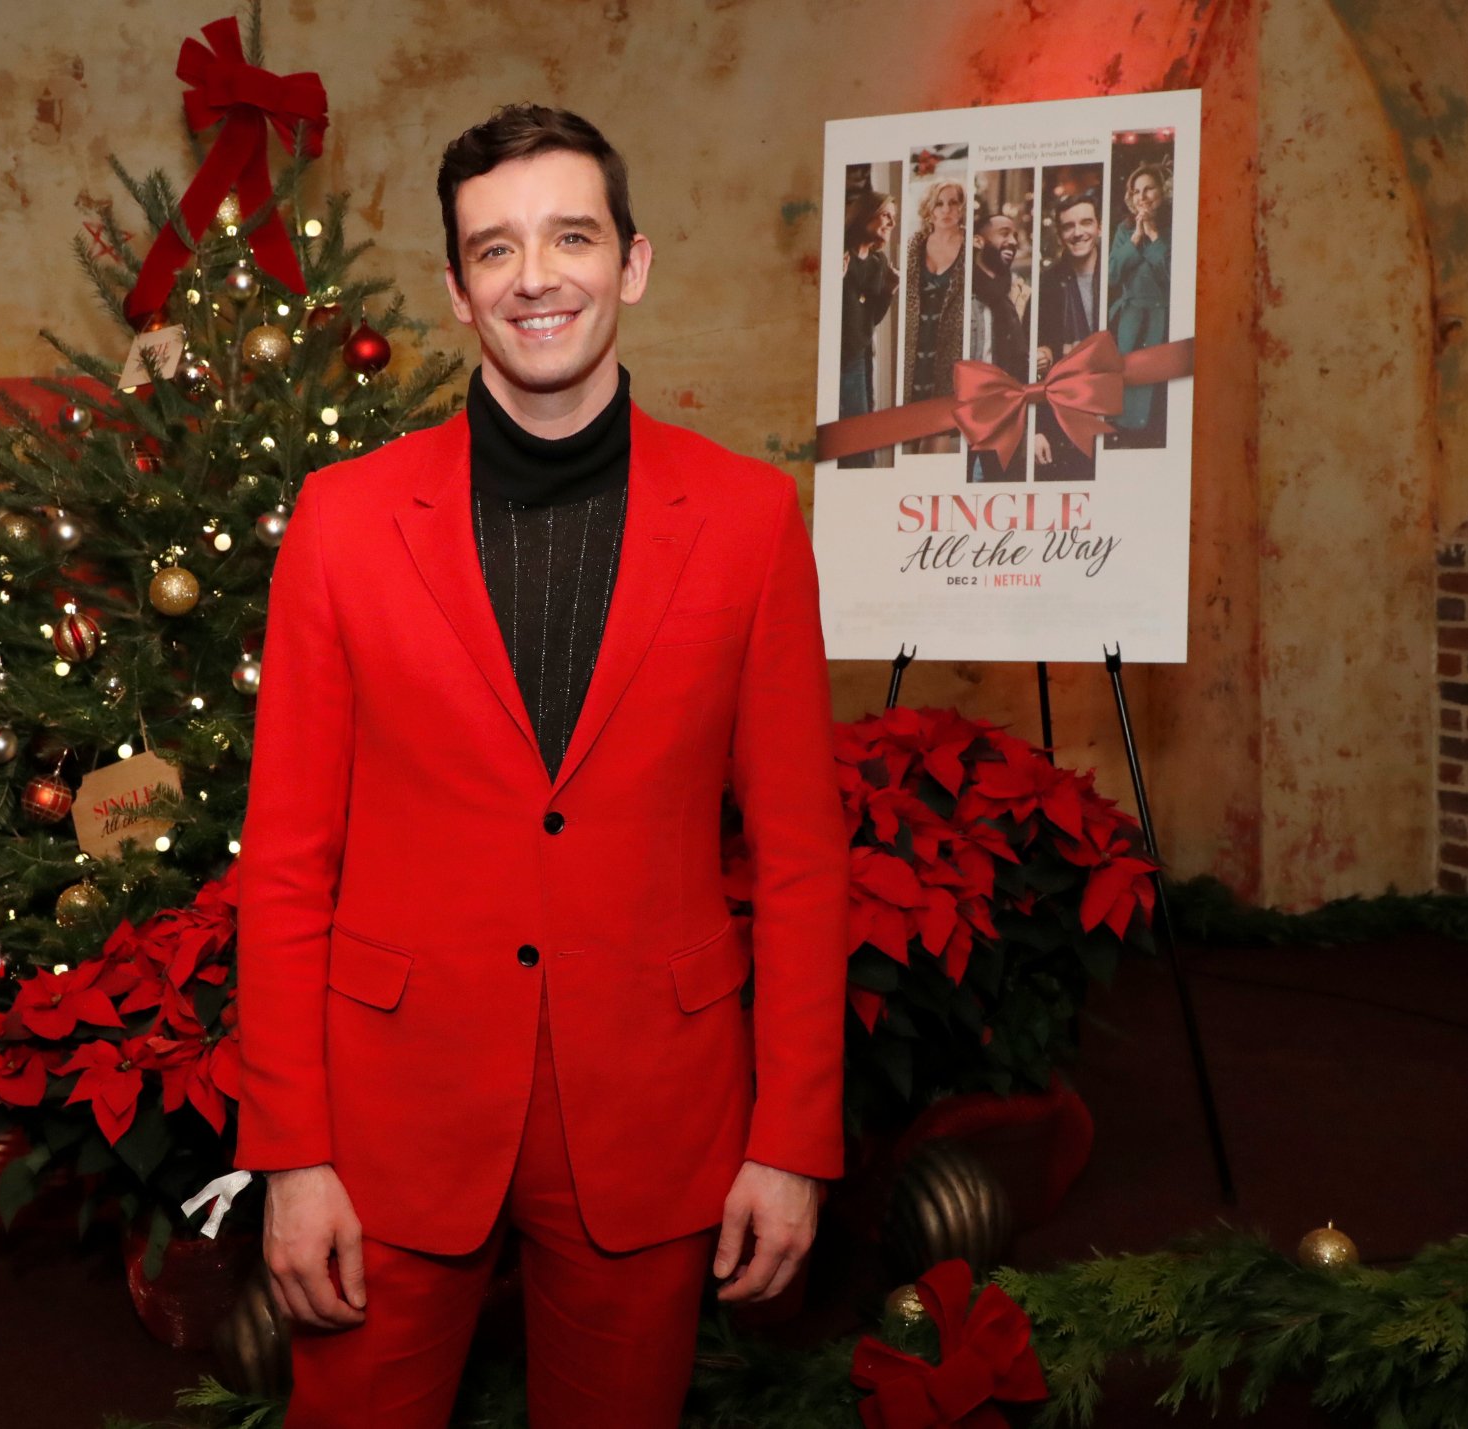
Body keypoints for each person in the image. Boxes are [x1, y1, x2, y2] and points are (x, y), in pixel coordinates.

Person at [235, 104, 848, 1429]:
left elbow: (801, 859)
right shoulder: (343, 520)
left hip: (651, 1107)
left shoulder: (747, 520)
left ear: (633, 261)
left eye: (571, 236)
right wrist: (290, 1154)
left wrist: (793, 1139)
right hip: (393, 1115)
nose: (536, 277)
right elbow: (284, 863)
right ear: (459, 291)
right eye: (495, 248)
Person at [1034, 189, 1103, 480]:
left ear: (1099, 227)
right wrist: (1036, 429)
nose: (1078, 233)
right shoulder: (1047, 284)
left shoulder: (1120, 274)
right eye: (1068, 226)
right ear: (1060, 235)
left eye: (1086, 222)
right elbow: (1028, 359)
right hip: (1063, 419)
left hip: (1118, 412)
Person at [1107, 162, 1171, 447]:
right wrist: (1135, 238)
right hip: (1129, 321)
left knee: (1155, 394)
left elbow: (1174, 275)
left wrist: (1154, 235)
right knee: (1127, 390)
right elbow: (1111, 275)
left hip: (1161, 319)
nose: (1142, 197)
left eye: (1149, 189)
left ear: (1163, 192)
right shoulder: (1124, 230)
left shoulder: (1173, 227)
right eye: (1136, 191)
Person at [899, 178, 965, 454]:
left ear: (962, 207)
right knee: (910, 426)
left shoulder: (972, 246)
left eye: (953, 202)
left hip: (950, 346)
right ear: (930, 209)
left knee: (940, 425)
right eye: (939, 203)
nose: (946, 209)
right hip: (915, 347)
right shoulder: (915, 244)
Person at [838, 187, 898, 469]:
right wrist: (834, 281)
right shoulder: (840, 253)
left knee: (860, 437)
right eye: (886, 215)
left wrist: (888, 291)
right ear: (865, 214)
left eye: (893, 218)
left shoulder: (878, 263)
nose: (891, 223)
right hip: (838, 358)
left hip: (859, 358)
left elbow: (870, 319)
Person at [967, 209, 1029, 483]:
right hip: (966, 410)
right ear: (978, 241)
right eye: (1004, 233)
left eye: (1014, 235)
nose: (1013, 241)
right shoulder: (963, 292)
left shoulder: (1016, 292)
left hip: (1005, 411)